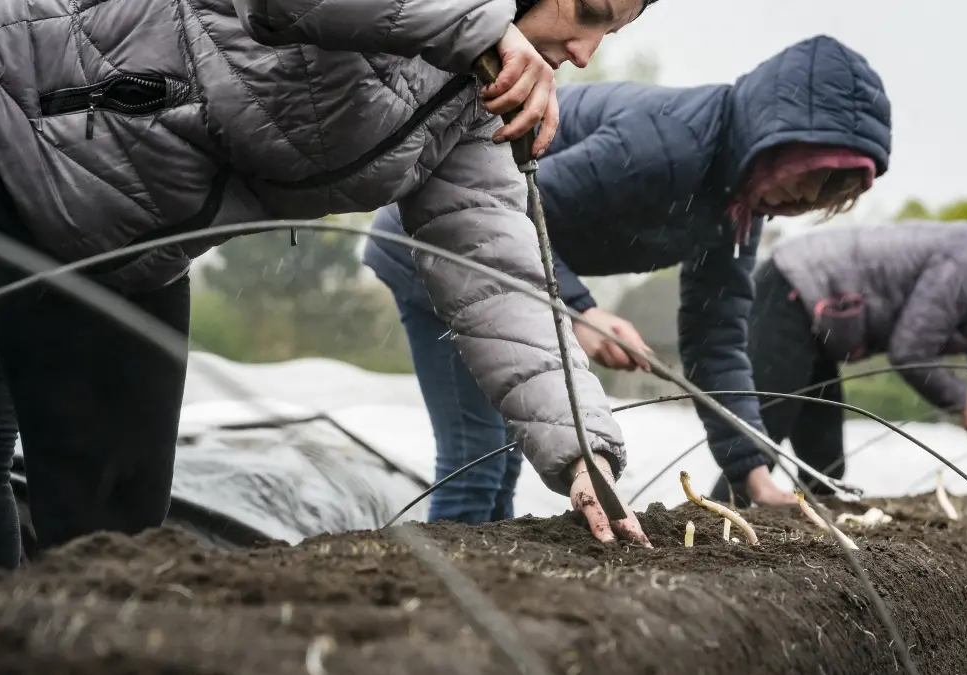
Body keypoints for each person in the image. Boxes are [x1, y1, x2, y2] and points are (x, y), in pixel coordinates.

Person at [0, 0, 659, 573]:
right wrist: (481, 22)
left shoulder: (473, 105)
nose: (584, 52)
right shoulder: (466, 25)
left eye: (611, 32)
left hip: (125, 247)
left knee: (113, 543)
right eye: (589, 11)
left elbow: (495, 267)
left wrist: (581, 450)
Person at [363, 34, 893, 524]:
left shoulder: (740, 205)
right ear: (775, 140)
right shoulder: (667, 144)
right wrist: (580, 311)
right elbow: (512, 210)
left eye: (825, 195)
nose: (804, 201)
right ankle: (444, 613)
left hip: (501, 271)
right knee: (474, 456)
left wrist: (753, 472)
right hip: (438, 244)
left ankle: (479, 600)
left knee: (502, 462)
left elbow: (718, 341)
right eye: (809, 177)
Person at [711, 220, 967, 504]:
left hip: (820, 328)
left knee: (825, 464)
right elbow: (910, 349)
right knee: (761, 438)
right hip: (792, 291)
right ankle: (708, 529)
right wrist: (965, 404)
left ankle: (805, 562)